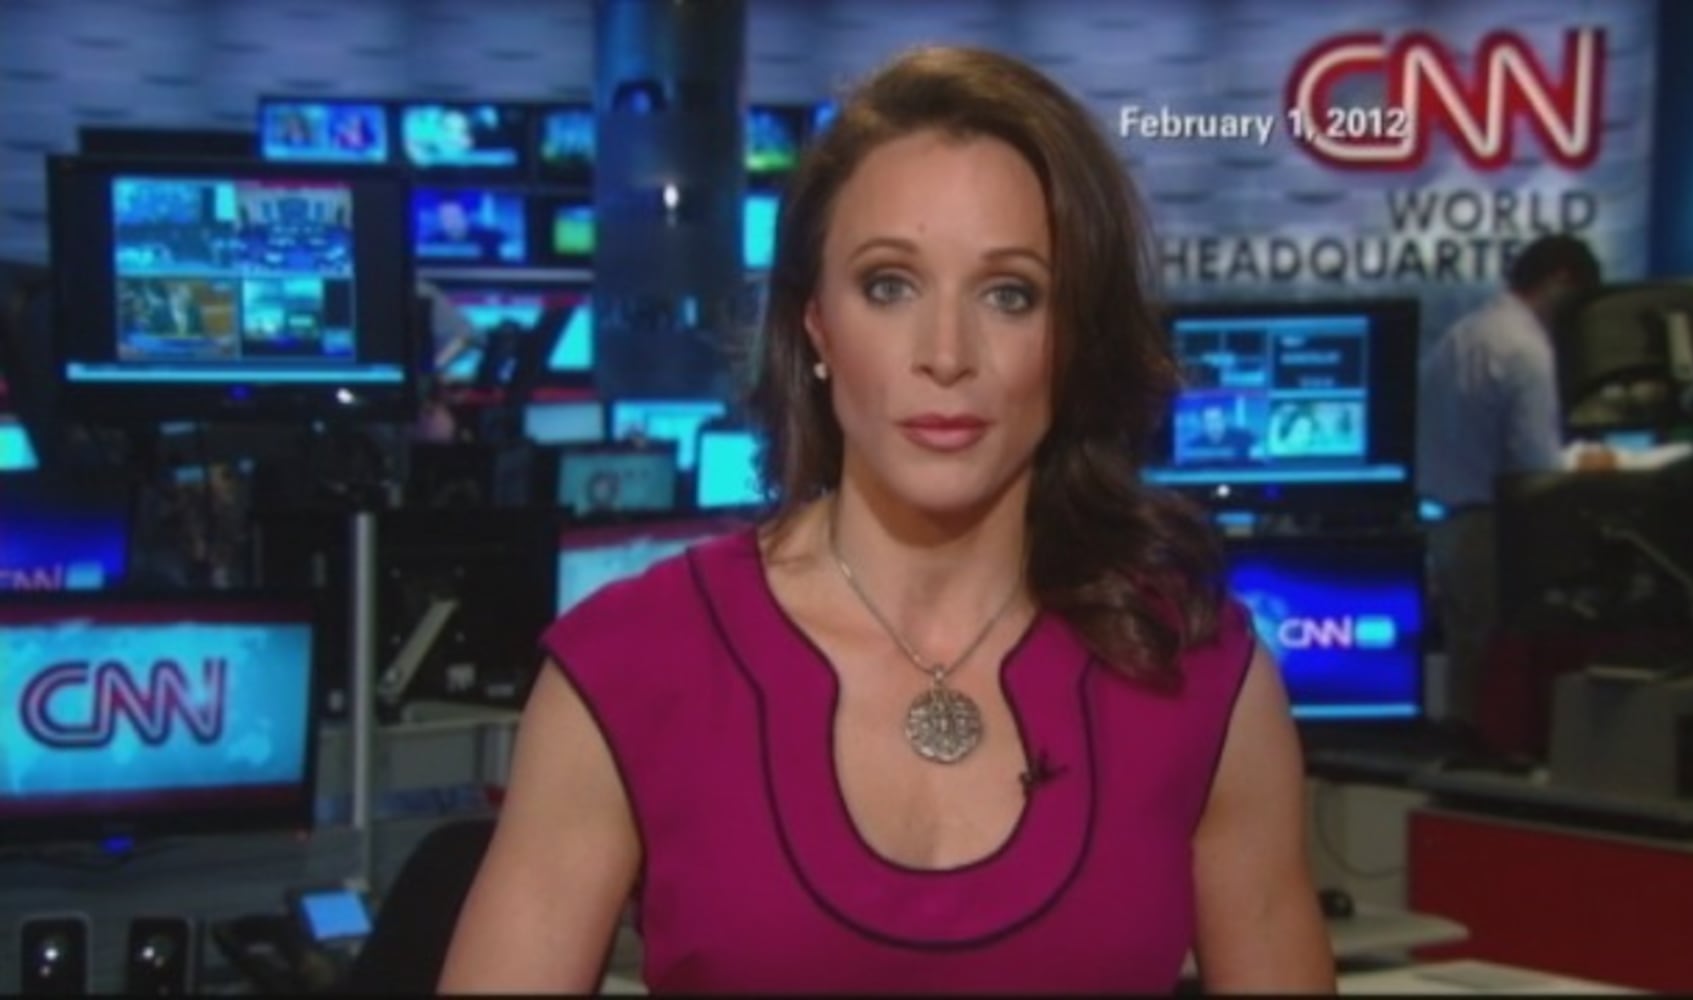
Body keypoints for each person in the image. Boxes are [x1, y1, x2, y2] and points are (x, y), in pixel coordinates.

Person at [440, 45, 1332, 994]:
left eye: (1010, 295)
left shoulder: (1198, 676)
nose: (946, 353)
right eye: (889, 286)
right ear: (816, 323)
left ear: (1074, 336)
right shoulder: (630, 667)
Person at [1418, 233, 1613, 734]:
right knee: (1498, 660)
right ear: (1561, 282)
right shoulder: (1526, 349)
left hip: (1446, 523)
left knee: (1467, 658)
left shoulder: (1463, 334)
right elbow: (1537, 466)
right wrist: (1589, 467)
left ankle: (1465, 748)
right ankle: (1499, 753)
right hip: (1494, 527)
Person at [1186, 400, 1257, 461]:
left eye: (1218, 420)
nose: (1214, 425)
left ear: (1224, 420)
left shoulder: (1244, 437)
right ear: (1202, 424)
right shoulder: (1194, 445)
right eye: (1209, 421)